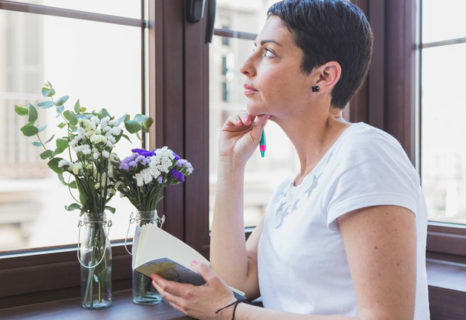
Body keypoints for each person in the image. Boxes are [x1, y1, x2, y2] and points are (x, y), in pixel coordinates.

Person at [150, 0, 429, 319]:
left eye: (268, 52)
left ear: (324, 77)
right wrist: (230, 164)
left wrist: (231, 313)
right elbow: (234, 281)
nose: (246, 65)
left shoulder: (364, 153)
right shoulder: (291, 189)